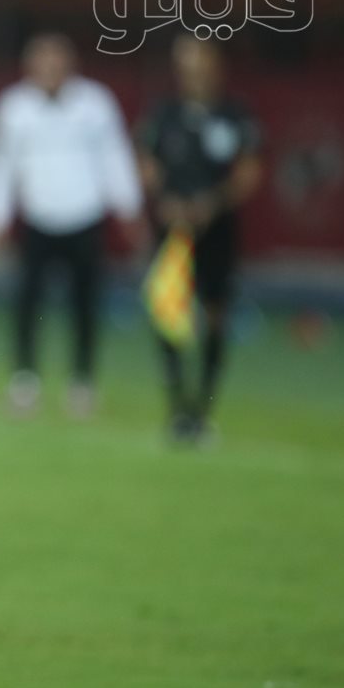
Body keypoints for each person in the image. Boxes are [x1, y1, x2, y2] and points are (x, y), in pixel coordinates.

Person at [0, 33, 144, 416]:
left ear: (70, 64)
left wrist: (129, 209)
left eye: (56, 61)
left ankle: (82, 381)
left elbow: (115, 157)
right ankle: (25, 379)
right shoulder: (14, 107)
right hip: (38, 216)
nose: (49, 69)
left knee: (86, 304)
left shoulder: (95, 103)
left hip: (85, 215)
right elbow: (0, 165)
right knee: (28, 303)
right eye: (42, 61)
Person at [137, 35, 262, 442]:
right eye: (185, 65)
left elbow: (249, 171)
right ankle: (177, 406)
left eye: (199, 64)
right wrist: (166, 200)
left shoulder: (235, 115)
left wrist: (212, 203)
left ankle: (204, 408)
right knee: (168, 310)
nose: (192, 73)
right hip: (172, 228)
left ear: (216, 66)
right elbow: (146, 162)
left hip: (217, 229)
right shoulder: (164, 113)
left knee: (215, 313)